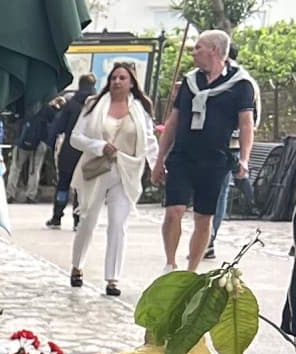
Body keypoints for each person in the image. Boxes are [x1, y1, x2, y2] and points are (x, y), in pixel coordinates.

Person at [156, 29, 257, 270]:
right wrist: (160, 159)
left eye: (198, 47)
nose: (193, 52)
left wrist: (244, 159)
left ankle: (191, 271)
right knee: (174, 211)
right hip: (182, 156)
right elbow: (173, 121)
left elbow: (246, 124)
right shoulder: (190, 82)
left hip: (215, 159)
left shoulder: (240, 84)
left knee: (204, 217)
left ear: (214, 50)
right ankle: (170, 265)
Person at [66, 62, 159, 297]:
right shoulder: (94, 105)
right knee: (88, 220)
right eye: (114, 77)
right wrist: (98, 146)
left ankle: (113, 278)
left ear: (131, 83)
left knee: (118, 224)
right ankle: (77, 265)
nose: (117, 82)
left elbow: (148, 141)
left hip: (126, 170)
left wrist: (158, 165)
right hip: (97, 169)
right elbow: (75, 138)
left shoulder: (140, 109)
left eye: (122, 78)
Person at [44, 75, 97, 227]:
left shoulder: (71, 104)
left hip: (69, 149)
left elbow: (58, 126)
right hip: (87, 151)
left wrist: (51, 141)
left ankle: (57, 216)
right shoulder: (96, 105)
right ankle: (77, 219)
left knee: (63, 184)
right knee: (82, 187)